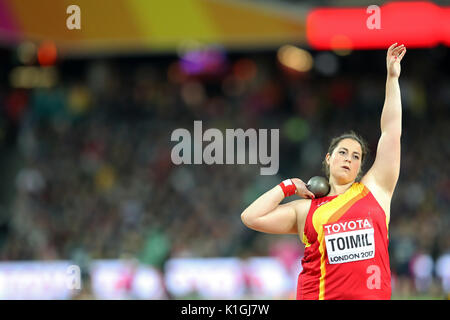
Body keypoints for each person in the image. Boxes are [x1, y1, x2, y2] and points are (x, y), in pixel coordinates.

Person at [241, 43, 407, 300]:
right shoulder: (306, 210)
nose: (348, 158)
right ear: (328, 159)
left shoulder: (375, 191)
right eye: (342, 152)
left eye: (356, 156)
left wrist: (392, 78)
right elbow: (250, 217)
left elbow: (391, 132)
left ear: (360, 167)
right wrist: (287, 187)